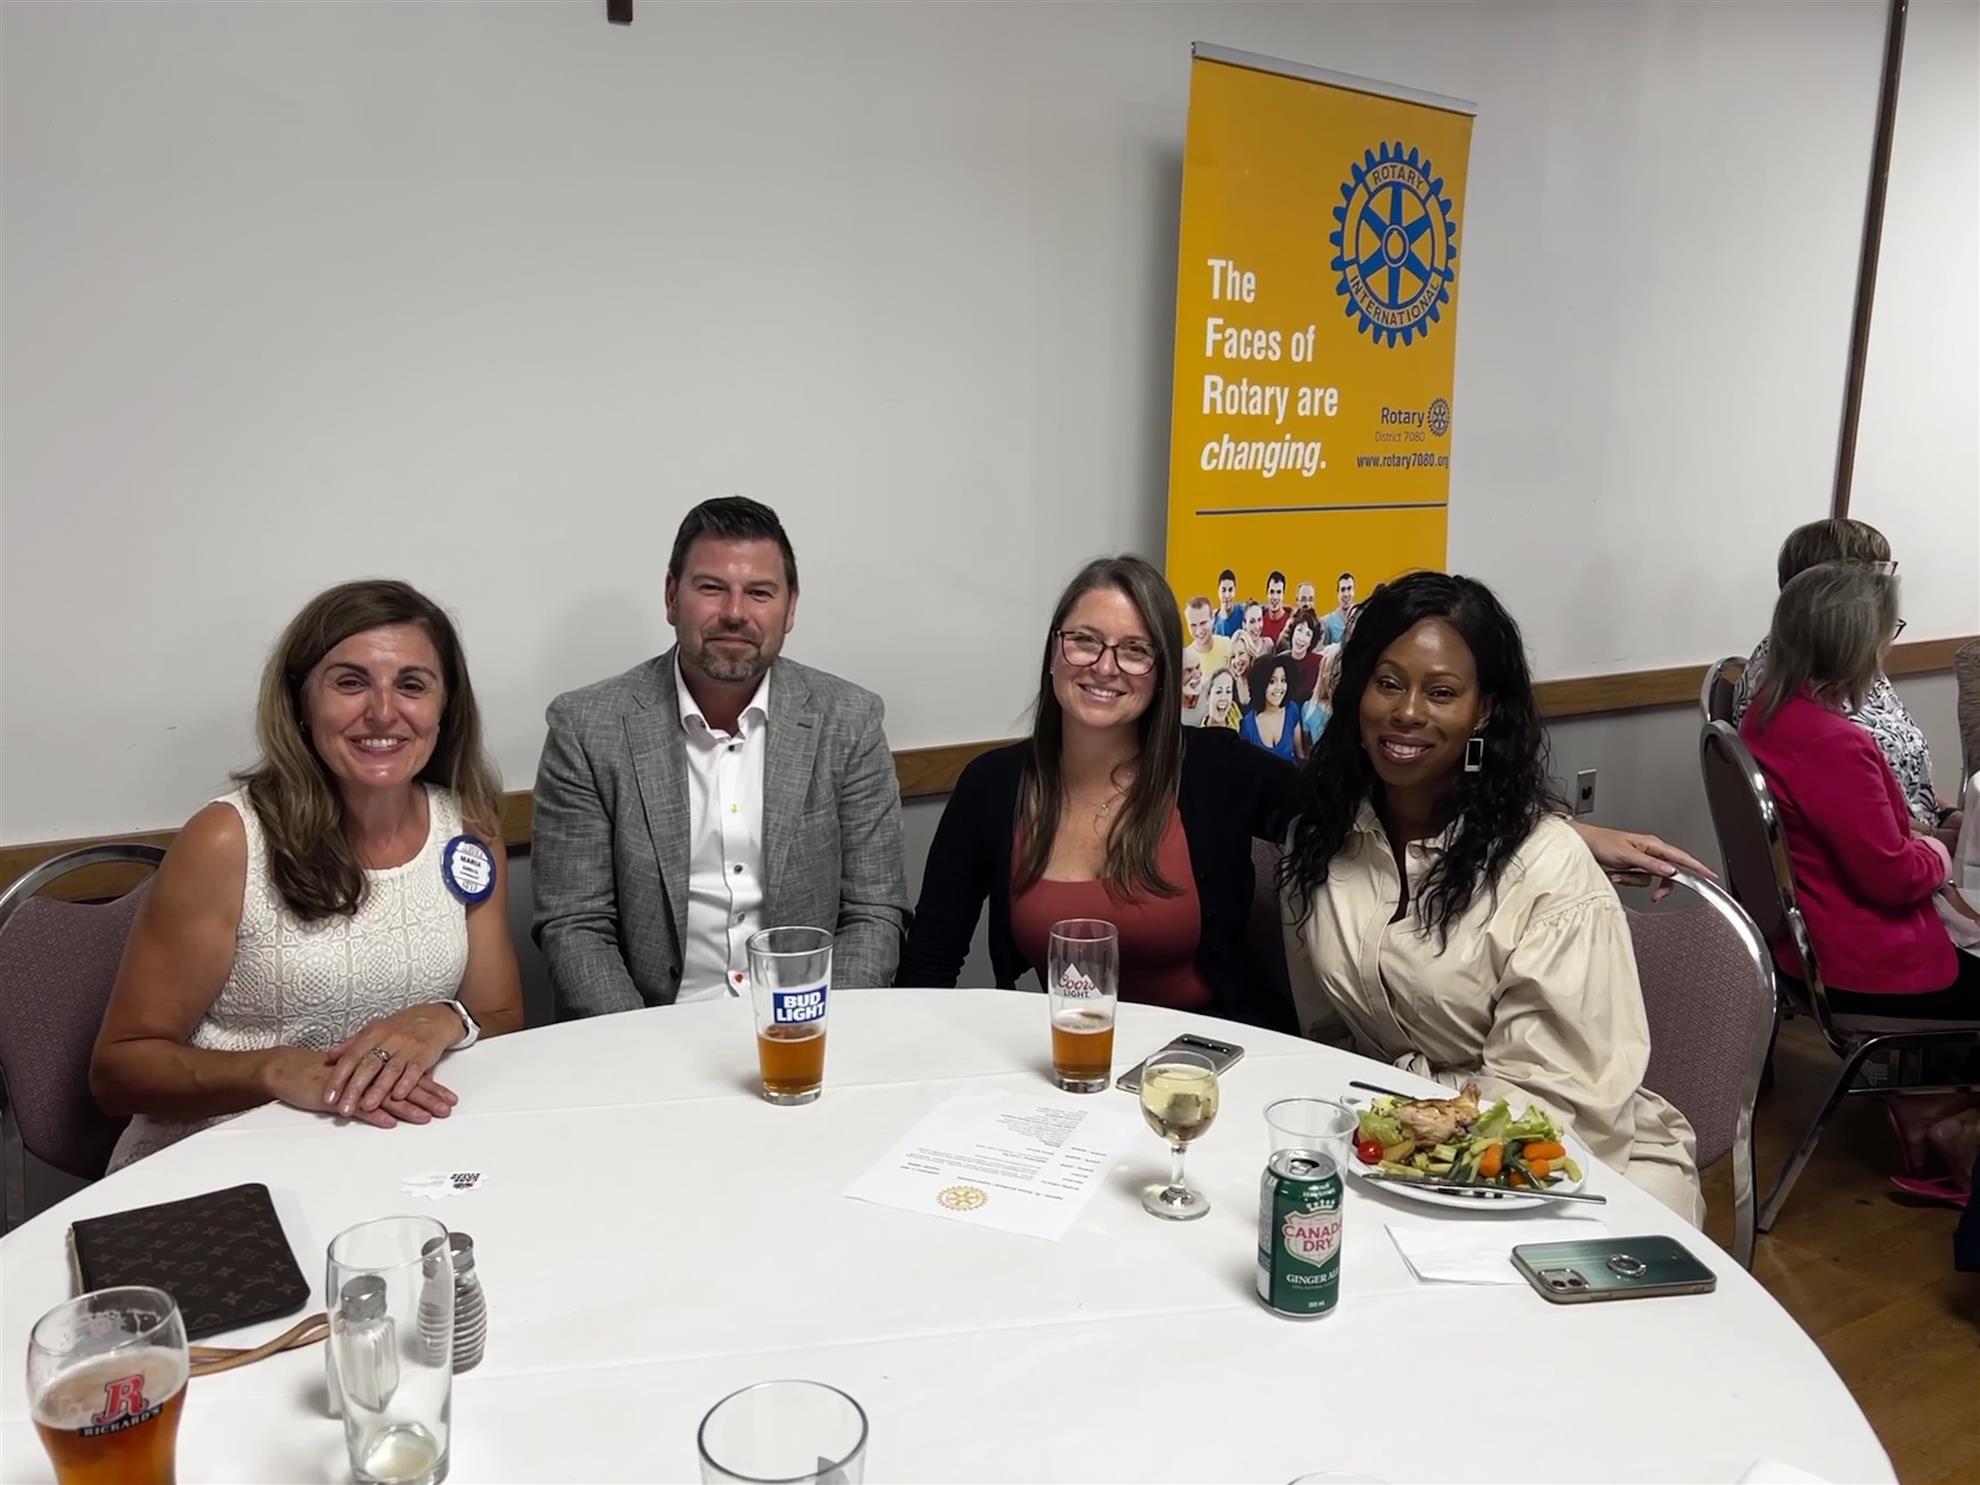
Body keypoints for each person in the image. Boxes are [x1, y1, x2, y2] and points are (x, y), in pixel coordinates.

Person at [1280, 572, 1703, 1222]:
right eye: (1388, 683)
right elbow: (1328, 1038)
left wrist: (1403, 1136)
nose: (1408, 711)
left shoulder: (1546, 867)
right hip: (1390, 1147)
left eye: (1441, 692)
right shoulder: (1318, 841)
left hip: (1562, 1165)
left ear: (1483, 711)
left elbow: (1556, 1103)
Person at [92, 581, 525, 1169]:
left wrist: (444, 1020)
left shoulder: (470, 830)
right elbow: (118, 1072)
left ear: (445, 707)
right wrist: (272, 1070)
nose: (383, 711)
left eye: (412, 685)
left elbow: (502, 1019)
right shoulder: (227, 840)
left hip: (388, 1156)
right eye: (350, 682)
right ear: (300, 702)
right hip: (219, 1164)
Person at [532, 497, 910, 1013]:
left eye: (759, 593)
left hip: (803, 1020)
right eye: (711, 588)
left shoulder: (849, 720)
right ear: (672, 597)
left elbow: (873, 912)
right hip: (650, 1024)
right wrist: (641, 1046)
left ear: (790, 608)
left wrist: (806, 1027)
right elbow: (576, 926)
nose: (735, 613)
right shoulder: (586, 728)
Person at [898, 556, 1301, 1026]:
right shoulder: (991, 786)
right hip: (1071, 1051)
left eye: (1135, 650)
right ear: (1054, 652)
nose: (1105, 666)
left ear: (1163, 671)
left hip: (1214, 1053)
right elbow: (930, 962)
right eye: (1085, 641)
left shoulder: (1216, 768)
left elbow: (1337, 809)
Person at [1739, 563, 1979, 1197]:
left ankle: (1929, 1105)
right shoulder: (1834, 743)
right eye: (1886, 632)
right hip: (1866, 963)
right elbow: (1892, 877)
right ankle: (1956, 1127)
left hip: (1803, 948)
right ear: (1855, 644)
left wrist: (1923, 838)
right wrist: (1939, 851)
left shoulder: (1766, 715)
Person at [1732, 519, 1959, 838]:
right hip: (1890, 850)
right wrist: (1946, 843)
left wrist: (1951, 817)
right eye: (1875, 578)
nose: (1884, 592)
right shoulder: (1789, 686)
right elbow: (1856, 820)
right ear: (1827, 590)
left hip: (1917, 835)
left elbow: (1909, 775)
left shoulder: (1847, 659)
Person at [1239, 654, 1301, 761]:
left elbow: (1300, 754)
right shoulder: (1247, 725)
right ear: (1260, 684)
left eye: (1283, 680)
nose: (1279, 687)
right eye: (1272, 681)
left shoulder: (1292, 710)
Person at [1279, 607, 1324, 701]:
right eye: (1299, 630)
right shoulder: (1280, 660)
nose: (1301, 638)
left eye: (1308, 634)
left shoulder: (1320, 663)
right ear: (1293, 632)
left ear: (1312, 641)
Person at [1300, 649, 1339, 754]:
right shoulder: (1308, 709)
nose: (1334, 680)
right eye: (1332, 674)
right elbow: (1307, 746)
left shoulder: (1351, 710)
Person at [1184, 595, 1232, 676]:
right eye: (1193, 625)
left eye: (1203, 623)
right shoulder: (1186, 660)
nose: (1199, 631)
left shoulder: (1228, 644)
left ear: (1213, 618)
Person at [1320, 572, 1356, 647]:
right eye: (1343, 589)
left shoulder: (1363, 615)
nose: (1346, 594)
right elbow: (1321, 650)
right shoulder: (1327, 622)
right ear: (1338, 593)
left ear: (1354, 590)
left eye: (1349, 588)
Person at [1259, 571, 1291, 647]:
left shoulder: (1291, 622)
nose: (1275, 597)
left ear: (1283, 594)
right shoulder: (1259, 620)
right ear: (1267, 593)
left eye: (1279, 592)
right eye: (1272, 592)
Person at [1212, 569, 1244, 639]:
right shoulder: (1212, 622)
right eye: (1223, 590)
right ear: (1218, 591)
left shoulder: (1244, 613)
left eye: (1230, 590)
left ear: (1235, 591)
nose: (1227, 595)